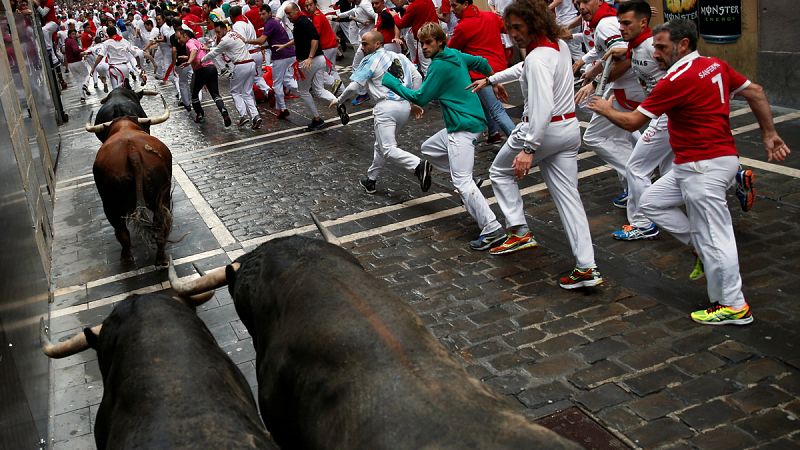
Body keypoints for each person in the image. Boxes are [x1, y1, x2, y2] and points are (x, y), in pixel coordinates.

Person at [588, 19, 791, 325]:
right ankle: (700, 248)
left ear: (683, 45)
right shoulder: (714, 65)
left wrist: (605, 109)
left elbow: (631, 122)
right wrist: (767, 133)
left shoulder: (675, 80)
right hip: (706, 161)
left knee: (718, 236)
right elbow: (757, 92)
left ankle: (735, 305)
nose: (655, 53)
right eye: (655, 46)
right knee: (651, 202)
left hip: (703, 167)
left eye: (661, 47)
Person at [468, 0, 601, 289]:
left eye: (517, 27)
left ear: (533, 22)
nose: (513, 34)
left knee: (500, 173)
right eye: (509, 29)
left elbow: (542, 105)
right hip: (567, 130)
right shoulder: (557, 47)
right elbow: (522, 69)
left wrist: (529, 149)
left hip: (543, 129)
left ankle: (518, 230)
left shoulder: (539, 57)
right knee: (570, 199)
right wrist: (490, 79)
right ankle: (587, 267)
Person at [383, 22, 504, 250]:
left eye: (429, 42)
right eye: (422, 43)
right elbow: (483, 63)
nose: (424, 47)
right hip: (468, 121)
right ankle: (471, 183)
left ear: (440, 41)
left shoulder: (439, 66)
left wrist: (390, 82)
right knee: (429, 148)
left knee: (461, 181)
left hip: (463, 126)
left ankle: (492, 229)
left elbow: (420, 97)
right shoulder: (454, 55)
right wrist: (493, 82)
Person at [601, 0, 672, 241]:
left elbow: (632, 123)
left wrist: (604, 108)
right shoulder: (636, 44)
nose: (621, 27)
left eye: (626, 23)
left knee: (637, 168)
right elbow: (631, 50)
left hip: (665, 115)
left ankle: (643, 223)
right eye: (620, 22)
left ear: (643, 22)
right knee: (674, 170)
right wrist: (618, 50)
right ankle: (732, 177)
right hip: (666, 115)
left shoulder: (656, 46)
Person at [331, 31, 431, 194]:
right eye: (362, 43)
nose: (362, 47)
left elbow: (354, 86)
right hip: (404, 107)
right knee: (381, 145)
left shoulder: (370, 59)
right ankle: (371, 179)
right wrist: (412, 101)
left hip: (385, 108)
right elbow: (418, 77)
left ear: (377, 44)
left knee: (388, 148)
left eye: (365, 44)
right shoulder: (400, 57)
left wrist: (340, 101)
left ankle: (418, 165)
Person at [574, 0, 645, 208]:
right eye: (577, 3)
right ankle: (634, 186)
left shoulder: (605, 24)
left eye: (585, 1)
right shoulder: (602, 23)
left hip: (627, 91)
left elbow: (624, 57)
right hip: (629, 90)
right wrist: (590, 70)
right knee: (623, 137)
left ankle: (639, 182)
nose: (581, 7)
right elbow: (606, 53)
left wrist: (596, 83)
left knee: (596, 136)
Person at [447, 0, 515, 142]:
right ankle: (493, 132)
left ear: (465, 4)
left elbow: (451, 50)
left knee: (497, 110)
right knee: (486, 103)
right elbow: (508, 28)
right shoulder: (490, 17)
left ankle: (520, 143)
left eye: (455, 5)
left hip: (481, 74)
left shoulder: (463, 27)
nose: (452, 9)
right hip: (498, 68)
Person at [277, 3, 338, 131]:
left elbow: (315, 38)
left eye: (289, 13)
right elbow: (299, 39)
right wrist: (285, 46)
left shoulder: (302, 22)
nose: (287, 16)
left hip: (308, 62)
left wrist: (310, 57)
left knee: (303, 91)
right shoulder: (302, 21)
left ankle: (317, 119)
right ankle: (337, 101)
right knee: (318, 89)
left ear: (296, 11)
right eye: (286, 14)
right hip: (320, 59)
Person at [202, 21, 263, 129]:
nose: (217, 34)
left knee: (235, 91)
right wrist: (209, 49)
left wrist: (202, 60)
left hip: (241, 65)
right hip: (250, 63)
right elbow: (220, 49)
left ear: (224, 29)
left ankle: (243, 115)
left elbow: (215, 52)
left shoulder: (225, 40)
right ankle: (255, 116)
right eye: (216, 32)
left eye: (218, 32)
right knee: (247, 92)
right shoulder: (234, 34)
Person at [247, 5, 298, 119]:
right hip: (289, 54)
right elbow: (275, 40)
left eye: (263, 13)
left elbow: (261, 40)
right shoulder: (273, 23)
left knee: (277, 84)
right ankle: (304, 91)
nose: (261, 16)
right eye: (260, 14)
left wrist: (246, 40)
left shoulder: (270, 23)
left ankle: (283, 108)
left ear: (270, 13)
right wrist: (264, 48)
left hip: (281, 56)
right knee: (287, 80)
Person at [178, 27, 233, 126]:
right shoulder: (197, 41)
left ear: (185, 36)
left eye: (180, 38)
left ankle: (200, 114)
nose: (179, 41)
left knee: (194, 94)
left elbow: (194, 51)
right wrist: (187, 57)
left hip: (201, 70)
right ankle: (224, 111)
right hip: (211, 68)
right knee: (215, 94)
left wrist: (188, 61)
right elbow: (199, 53)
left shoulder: (189, 43)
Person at [230, 5, 275, 110]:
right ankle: (268, 91)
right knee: (258, 77)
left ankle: (253, 107)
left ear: (232, 16)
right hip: (257, 52)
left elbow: (240, 41)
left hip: (249, 55)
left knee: (247, 83)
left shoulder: (237, 25)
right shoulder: (246, 20)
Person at [304, 0, 342, 94]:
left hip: (326, 47)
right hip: (331, 46)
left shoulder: (316, 17)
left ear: (315, 5)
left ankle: (333, 85)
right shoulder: (317, 14)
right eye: (307, 6)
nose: (308, 7)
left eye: (310, 5)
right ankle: (342, 91)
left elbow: (315, 35)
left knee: (320, 69)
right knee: (331, 69)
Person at [392, 0, 438, 74]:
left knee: (426, 67)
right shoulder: (428, 1)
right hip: (434, 35)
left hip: (424, 37)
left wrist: (395, 16)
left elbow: (401, 24)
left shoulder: (414, 6)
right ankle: (415, 66)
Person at [64, 28, 89, 102]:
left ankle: (82, 96)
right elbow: (75, 50)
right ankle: (85, 85)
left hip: (70, 64)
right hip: (77, 62)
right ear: (69, 35)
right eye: (73, 34)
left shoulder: (67, 41)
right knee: (87, 75)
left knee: (78, 80)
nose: (74, 35)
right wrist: (82, 50)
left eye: (75, 34)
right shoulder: (72, 41)